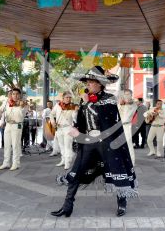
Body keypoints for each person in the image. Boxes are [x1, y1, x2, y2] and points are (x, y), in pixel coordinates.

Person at [51, 66, 137, 218]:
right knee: (76, 170)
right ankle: (67, 205)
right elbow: (82, 121)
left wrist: (89, 104)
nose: (88, 85)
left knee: (115, 170)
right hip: (89, 142)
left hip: (106, 143)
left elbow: (107, 119)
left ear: (100, 84)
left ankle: (122, 202)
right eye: (87, 82)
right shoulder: (85, 100)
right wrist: (77, 128)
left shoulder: (109, 98)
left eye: (91, 82)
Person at [0, 88, 27, 171]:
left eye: (17, 94)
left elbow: (22, 115)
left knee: (15, 145)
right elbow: (0, 110)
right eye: (13, 94)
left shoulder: (24, 103)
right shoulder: (7, 102)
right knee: (6, 145)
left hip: (17, 125)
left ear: (20, 95)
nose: (15, 96)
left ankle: (16, 163)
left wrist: (21, 106)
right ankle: (6, 163)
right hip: (8, 124)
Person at [50, 91, 77, 170]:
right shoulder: (58, 105)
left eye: (70, 97)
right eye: (67, 97)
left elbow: (75, 118)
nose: (68, 99)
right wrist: (53, 122)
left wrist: (75, 111)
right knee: (61, 145)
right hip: (59, 128)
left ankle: (67, 162)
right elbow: (51, 114)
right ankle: (63, 160)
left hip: (68, 128)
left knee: (67, 146)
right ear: (63, 98)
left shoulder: (72, 106)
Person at [118, 89, 137, 165]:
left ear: (131, 95)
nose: (126, 95)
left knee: (128, 144)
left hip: (127, 126)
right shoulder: (120, 103)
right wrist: (121, 104)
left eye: (128, 94)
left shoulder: (133, 104)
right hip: (119, 126)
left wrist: (125, 102)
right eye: (125, 94)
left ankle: (132, 162)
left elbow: (130, 103)